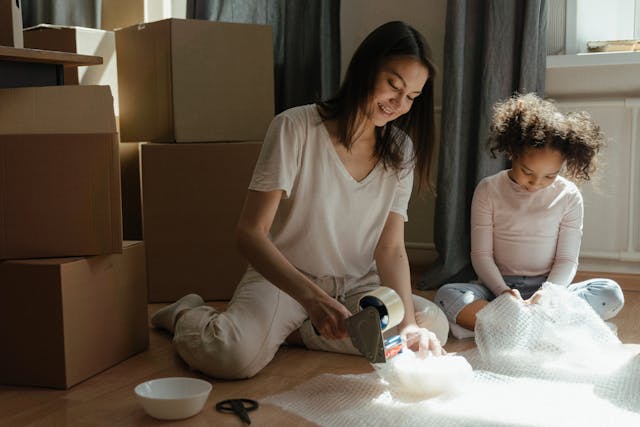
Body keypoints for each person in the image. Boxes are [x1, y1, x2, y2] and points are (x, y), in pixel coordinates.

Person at [151, 21, 450, 379]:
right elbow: (249, 233)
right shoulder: (294, 127)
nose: (399, 104)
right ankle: (187, 313)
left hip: (357, 286)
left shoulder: (401, 150)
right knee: (231, 356)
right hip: (286, 281)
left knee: (430, 324)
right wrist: (311, 298)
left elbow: (391, 250)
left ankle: (299, 332)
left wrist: (409, 327)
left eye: (412, 97)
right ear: (366, 67)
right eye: (393, 86)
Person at [435, 93, 625, 339]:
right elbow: (481, 255)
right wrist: (503, 292)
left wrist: (547, 294)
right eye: (527, 172)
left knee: (610, 293)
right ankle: (541, 328)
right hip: (498, 290)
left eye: (549, 176)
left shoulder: (568, 195)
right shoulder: (488, 189)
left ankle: (509, 327)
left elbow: (567, 259)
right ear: (513, 153)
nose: (536, 183)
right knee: (447, 294)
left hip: (549, 291)